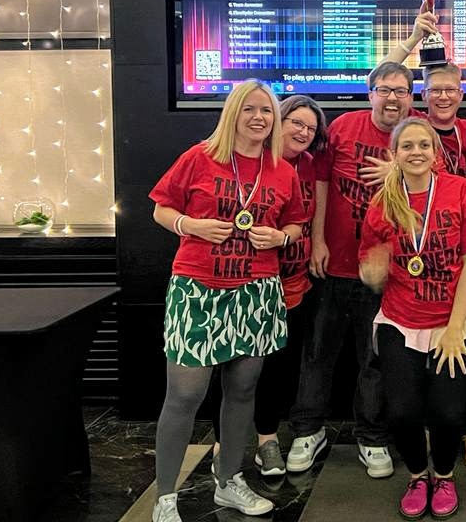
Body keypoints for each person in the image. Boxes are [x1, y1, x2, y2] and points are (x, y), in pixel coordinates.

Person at [148, 80, 304, 522]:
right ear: (233, 113)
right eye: (250, 109)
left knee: (243, 390)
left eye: (267, 111)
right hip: (197, 290)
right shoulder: (200, 157)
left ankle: (229, 482)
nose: (259, 118)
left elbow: (294, 224)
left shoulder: (282, 169)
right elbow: (160, 207)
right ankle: (165, 496)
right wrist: (189, 226)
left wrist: (280, 236)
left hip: (257, 292)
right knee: (185, 394)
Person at [286, 62, 418, 479]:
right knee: (318, 352)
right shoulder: (343, 127)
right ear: (370, 93)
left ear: (411, 97)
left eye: (400, 90)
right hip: (333, 263)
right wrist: (318, 239)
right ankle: (308, 430)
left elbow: (434, 189)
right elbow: (321, 182)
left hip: (385, 272)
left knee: (373, 359)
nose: (392, 97)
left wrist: (397, 172)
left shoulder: (414, 137)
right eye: (384, 89)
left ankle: (371, 436)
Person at [359, 118, 466, 519]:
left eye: (424, 145)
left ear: (436, 153)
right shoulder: (383, 200)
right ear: (394, 154)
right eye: (407, 146)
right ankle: (419, 475)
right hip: (401, 319)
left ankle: (445, 475)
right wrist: (373, 271)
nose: (416, 152)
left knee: (448, 413)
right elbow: (370, 267)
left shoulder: (458, 190)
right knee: (402, 411)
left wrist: (453, 331)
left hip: (458, 319)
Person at [203, 94, 326, 477]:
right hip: (236, 283)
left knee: (277, 370)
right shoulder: (241, 161)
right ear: (278, 121)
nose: (303, 132)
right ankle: (225, 443)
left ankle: (267, 440)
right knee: (229, 367)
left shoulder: (308, 166)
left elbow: (301, 222)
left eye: (310, 127)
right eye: (296, 122)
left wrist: (289, 239)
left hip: (292, 285)